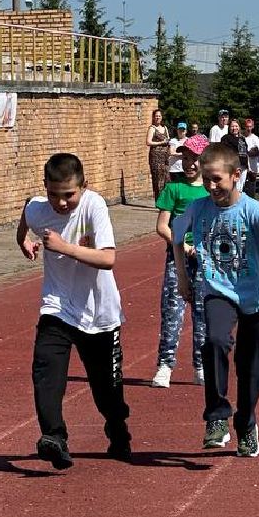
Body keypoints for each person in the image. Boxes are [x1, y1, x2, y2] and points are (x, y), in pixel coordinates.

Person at [176, 143, 259, 457]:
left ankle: (246, 422)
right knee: (216, 340)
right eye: (206, 179)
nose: (210, 186)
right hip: (217, 290)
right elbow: (176, 236)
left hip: (257, 298)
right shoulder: (198, 209)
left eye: (217, 179)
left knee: (251, 369)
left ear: (236, 175)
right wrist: (182, 278)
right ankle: (217, 416)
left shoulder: (254, 211)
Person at [18, 152, 131, 468]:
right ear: (45, 188)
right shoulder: (39, 209)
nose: (61, 203)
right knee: (45, 368)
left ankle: (117, 426)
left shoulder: (94, 206)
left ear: (83, 187)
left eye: (69, 195)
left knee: (105, 390)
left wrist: (64, 247)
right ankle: (54, 436)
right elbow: (27, 217)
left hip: (99, 314)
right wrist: (23, 242)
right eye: (54, 195)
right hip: (57, 307)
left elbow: (108, 259)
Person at [152, 144, 209, 388]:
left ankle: (201, 365)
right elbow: (162, 226)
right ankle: (165, 365)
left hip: (205, 259)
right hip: (178, 257)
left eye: (195, 159)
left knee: (203, 312)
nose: (189, 164)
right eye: (185, 158)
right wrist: (182, 246)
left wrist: (204, 247)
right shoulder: (173, 189)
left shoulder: (211, 190)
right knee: (172, 311)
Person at [146, 109, 171, 199]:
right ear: (153, 117)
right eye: (156, 116)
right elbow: (148, 142)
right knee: (157, 179)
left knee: (167, 178)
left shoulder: (165, 128)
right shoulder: (152, 128)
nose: (158, 117)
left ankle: (166, 199)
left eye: (159, 116)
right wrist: (160, 143)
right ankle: (158, 199)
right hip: (155, 157)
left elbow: (168, 140)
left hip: (165, 157)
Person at [243, 117, 259, 199]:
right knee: (243, 186)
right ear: (245, 127)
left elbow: (257, 152)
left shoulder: (255, 138)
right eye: (247, 126)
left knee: (252, 186)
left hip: (253, 166)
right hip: (244, 166)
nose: (248, 128)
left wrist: (249, 153)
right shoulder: (242, 138)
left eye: (250, 126)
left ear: (253, 127)